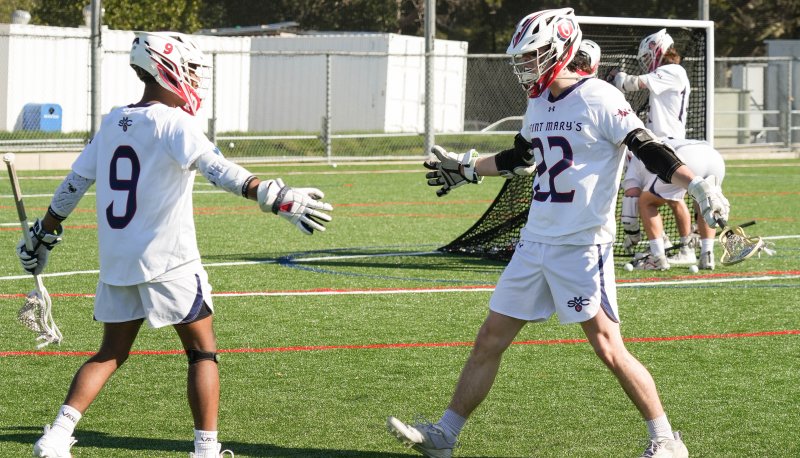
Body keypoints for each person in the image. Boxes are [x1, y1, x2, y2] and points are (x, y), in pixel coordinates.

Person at [386, 8, 728, 458]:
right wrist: (467, 168)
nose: (525, 66)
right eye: (522, 58)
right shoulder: (539, 101)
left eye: (533, 55)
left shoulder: (600, 96)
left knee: (608, 347)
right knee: (489, 339)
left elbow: (648, 146)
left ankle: (666, 440)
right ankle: (444, 436)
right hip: (534, 244)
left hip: (582, 246)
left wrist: (697, 184)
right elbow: (520, 157)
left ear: (561, 48)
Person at [18, 31, 333, 458]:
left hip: (117, 260)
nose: (196, 80)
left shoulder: (112, 122)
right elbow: (218, 170)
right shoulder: (175, 123)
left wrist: (45, 233)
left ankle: (55, 436)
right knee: (203, 352)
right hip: (169, 261)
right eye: (191, 70)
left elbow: (72, 186)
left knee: (110, 352)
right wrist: (273, 195)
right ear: (167, 68)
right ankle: (206, 449)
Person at [611, 29, 694, 269]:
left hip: (667, 144)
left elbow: (632, 83)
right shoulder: (668, 74)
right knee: (647, 194)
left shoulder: (672, 70)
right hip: (656, 142)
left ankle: (671, 250)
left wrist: (616, 78)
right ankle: (661, 243)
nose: (647, 62)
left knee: (664, 200)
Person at [633, 138, 727, 270]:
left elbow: (631, 192)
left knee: (647, 202)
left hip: (687, 158)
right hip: (714, 157)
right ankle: (707, 255)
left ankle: (658, 257)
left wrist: (631, 231)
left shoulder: (637, 151)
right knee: (705, 203)